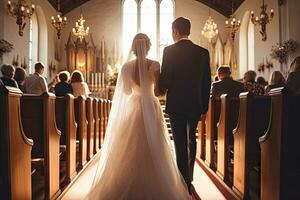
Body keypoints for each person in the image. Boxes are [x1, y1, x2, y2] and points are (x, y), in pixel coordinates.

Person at [85, 33, 191, 200]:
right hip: (151, 105)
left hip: (134, 106)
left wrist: (137, 89)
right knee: (154, 144)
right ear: (148, 47)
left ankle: (126, 182)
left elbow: (126, 91)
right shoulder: (155, 65)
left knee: (129, 145)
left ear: (133, 48)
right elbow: (158, 92)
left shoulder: (126, 67)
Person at [159, 17, 211, 195]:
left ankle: (184, 181)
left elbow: (165, 79)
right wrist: (204, 107)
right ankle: (190, 175)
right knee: (191, 139)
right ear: (188, 30)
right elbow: (207, 82)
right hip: (195, 104)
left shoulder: (169, 51)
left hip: (176, 104)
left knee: (180, 143)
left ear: (175, 31)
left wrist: (158, 88)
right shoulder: (203, 52)